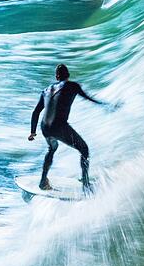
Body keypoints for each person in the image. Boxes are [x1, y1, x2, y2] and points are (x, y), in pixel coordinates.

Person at [29, 64, 112, 194]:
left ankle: (43, 181)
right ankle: (85, 185)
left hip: (44, 127)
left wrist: (32, 132)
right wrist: (106, 105)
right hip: (59, 127)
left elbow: (35, 112)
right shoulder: (72, 86)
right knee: (84, 149)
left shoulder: (46, 90)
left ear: (57, 77)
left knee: (52, 148)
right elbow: (89, 98)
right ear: (68, 75)